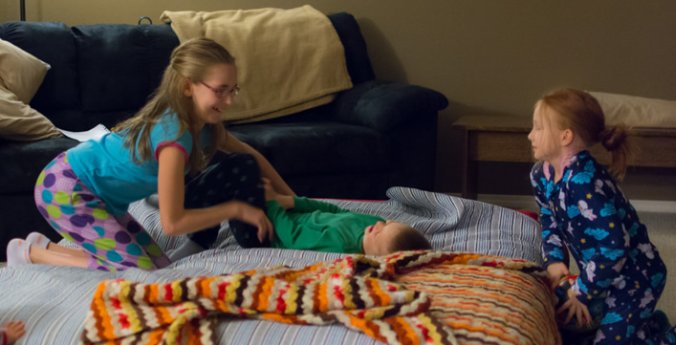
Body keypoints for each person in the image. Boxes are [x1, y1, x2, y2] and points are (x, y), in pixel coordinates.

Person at [6, 38, 293, 271]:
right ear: (187, 87)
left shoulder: (206, 126)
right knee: (138, 273)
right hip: (66, 188)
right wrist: (237, 209)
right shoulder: (174, 135)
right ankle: (32, 252)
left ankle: (45, 248)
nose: (229, 101)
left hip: (103, 199)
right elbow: (173, 223)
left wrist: (293, 199)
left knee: (160, 266)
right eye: (220, 91)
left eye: (233, 90)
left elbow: (253, 156)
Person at [528, 88, 676, 345]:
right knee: (564, 321)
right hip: (602, 276)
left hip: (636, 279)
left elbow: (614, 249)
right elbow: (548, 219)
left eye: (538, 128)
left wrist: (584, 293)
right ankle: (646, 327)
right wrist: (554, 261)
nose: (530, 135)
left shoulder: (585, 184)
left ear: (565, 136)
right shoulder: (542, 175)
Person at [263, 181, 431, 255]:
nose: (379, 224)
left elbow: (293, 236)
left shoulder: (341, 245)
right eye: (388, 223)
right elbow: (333, 210)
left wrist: (272, 205)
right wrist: (291, 201)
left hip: (269, 226)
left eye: (379, 233)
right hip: (286, 208)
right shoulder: (370, 224)